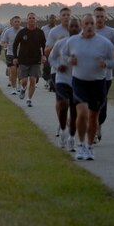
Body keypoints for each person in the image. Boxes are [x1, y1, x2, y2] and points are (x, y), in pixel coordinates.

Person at [63, 13, 114, 161]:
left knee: (93, 117)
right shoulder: (73, 41)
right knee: (83, 113)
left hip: (98, 83)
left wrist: (107, 64)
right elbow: (62, 56)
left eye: (92, 23)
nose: (90, 26)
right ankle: (81, 145)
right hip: (79, 82)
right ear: (82, 25)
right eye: (87, 24)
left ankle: (90, 147)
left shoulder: (104, 43)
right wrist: (69, 60)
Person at [49, 18, 81, 150]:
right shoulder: (61, 43)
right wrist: (57, 66)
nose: (73, 28)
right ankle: (63, 130)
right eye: (71, 26)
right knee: (63, 104)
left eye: (76, 26)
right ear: (68, 29)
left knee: (74, 111)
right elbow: (52, 57)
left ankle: (72, 137)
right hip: (62, 79)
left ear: (80, 28)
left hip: (78, 80)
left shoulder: (83, 44)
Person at [45, 7, 71, 135]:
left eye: (68, 15)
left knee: (74, 100)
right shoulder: (54, 32)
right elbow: (46, 51)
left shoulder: (76, 30)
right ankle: (62, 124)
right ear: (60, 17)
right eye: (63, 15)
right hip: (57, 70)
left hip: (74, 72)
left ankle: (69, 120)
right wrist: (56, 43)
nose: (66, 17)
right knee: (60, 101)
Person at [94, 6, 114, 141]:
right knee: (90, 102)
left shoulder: (112, 33)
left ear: (106, 17)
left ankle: (98, 124)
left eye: (102, 16)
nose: (99, 19)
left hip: (106, 75)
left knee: (101, 103)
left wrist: (107, 63)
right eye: (97, 16)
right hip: (88, 75)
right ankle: (93, 128)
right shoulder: (87, 32)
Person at [13, 13, 46, 107]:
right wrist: (15, 57)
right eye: (30, 18)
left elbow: (44, 45)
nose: (31, 20)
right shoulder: (22, 32)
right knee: (24, 81)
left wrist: (43, 55)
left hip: (35, 60)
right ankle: (23, 89)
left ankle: (29, 99)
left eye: (33, 18)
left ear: (36, 20)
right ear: (27, 20)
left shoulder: (40, 32)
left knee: (33, 80)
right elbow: (15, 44)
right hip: (23, 59)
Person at [1, 16, 23, 95]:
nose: (17, 23)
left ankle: (20, 84)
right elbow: (3, 42)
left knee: (20, 71)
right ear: (12, 23)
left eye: (18, 21)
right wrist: (5, 45)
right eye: (15, 21)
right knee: (13, 71)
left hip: (21, 54)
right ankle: (14, 88)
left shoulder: (23, 30)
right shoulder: (8, 31)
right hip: (10, 53)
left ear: (20, 22)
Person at [41, 14, 56, 91]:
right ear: (48, 19)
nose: (52, 20)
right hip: (46, 50)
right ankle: (47, 79)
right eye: (51, 18)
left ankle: (51, 83)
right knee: (46, 67)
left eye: (53, 18)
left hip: (55, 51)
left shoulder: (57, 29)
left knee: (52, 67)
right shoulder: (44, 28)